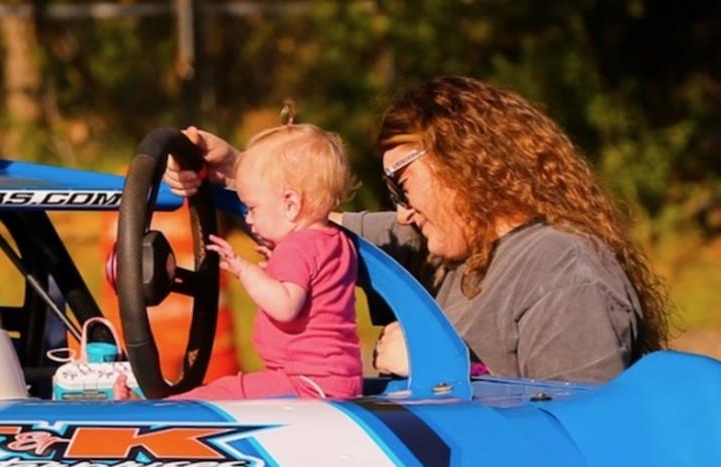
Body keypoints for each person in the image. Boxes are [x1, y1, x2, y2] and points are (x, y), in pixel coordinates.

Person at [166, 76, 668, 383]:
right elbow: (308, 223)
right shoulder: (437, 245)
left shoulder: (564, 270)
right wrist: (235, 171)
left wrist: (441, 366)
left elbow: (587, 436)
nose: (401, 212)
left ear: (464, 163)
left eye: (402, 183)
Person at [172, 123, 363, 399]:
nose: (248, 219)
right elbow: (318, 289)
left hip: (306, 382)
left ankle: (164, 412)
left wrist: (244, 269)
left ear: (290, 205)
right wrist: (276, 265)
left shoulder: (296, 247)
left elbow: (285, 306)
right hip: (337, 381)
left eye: (252, 208)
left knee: (223, 394)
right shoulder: (337, 241)